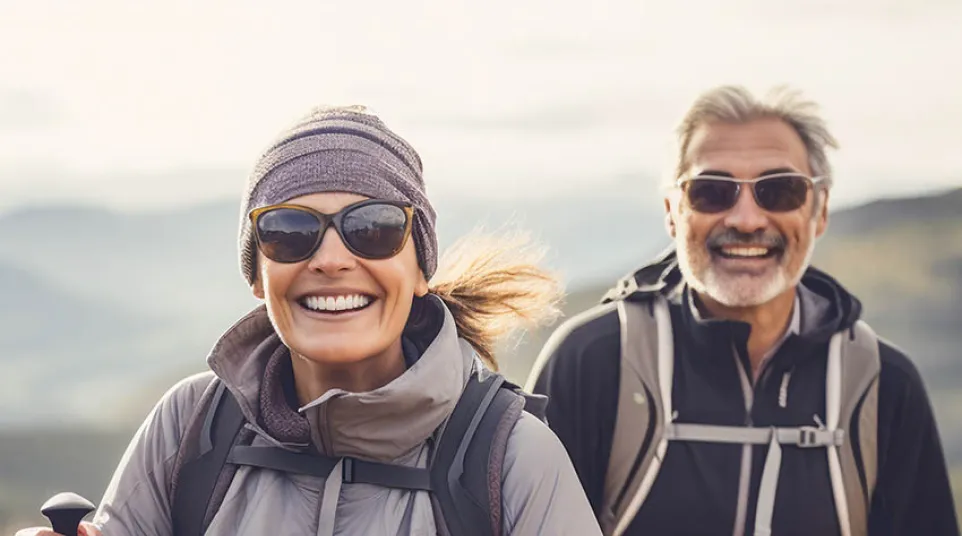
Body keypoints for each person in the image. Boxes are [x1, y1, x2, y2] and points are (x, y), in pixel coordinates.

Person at [18, 105, 602, 536]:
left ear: (420, 267)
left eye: (372, 228)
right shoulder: (191, 428)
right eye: (290, 232)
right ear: (257, 275)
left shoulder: (511, 459)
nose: (330, 259)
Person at [526, 85, 960, 536]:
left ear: (821, 210)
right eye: (712, 192)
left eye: (781, 190)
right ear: (672, 212)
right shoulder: (594, 363)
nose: (747, 219)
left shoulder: (881, 386)